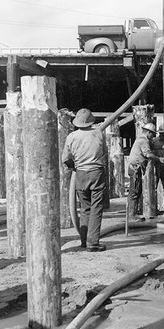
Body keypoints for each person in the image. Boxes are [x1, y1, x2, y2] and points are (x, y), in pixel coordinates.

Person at [62, 108, 108, 252]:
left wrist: (74, 167)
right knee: (96, 208)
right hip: (96, 173)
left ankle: (84, 241)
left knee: (85, 208)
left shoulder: (71, 136)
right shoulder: (98, 133)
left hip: (80, 174)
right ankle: (93, 243)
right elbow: (104, 153)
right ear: (91, 121)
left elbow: (65, 159)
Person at [127, 122, 164, 221]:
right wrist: (160, 159)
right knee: (134, 192)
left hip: (136, 168)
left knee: (137, 191)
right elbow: (148, 154)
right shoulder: (143, 141)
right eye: (152, 134)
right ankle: (131, 216)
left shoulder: (143, 140)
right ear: (148, 132)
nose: (153, 136)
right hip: (135, 168)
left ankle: (133, 215)